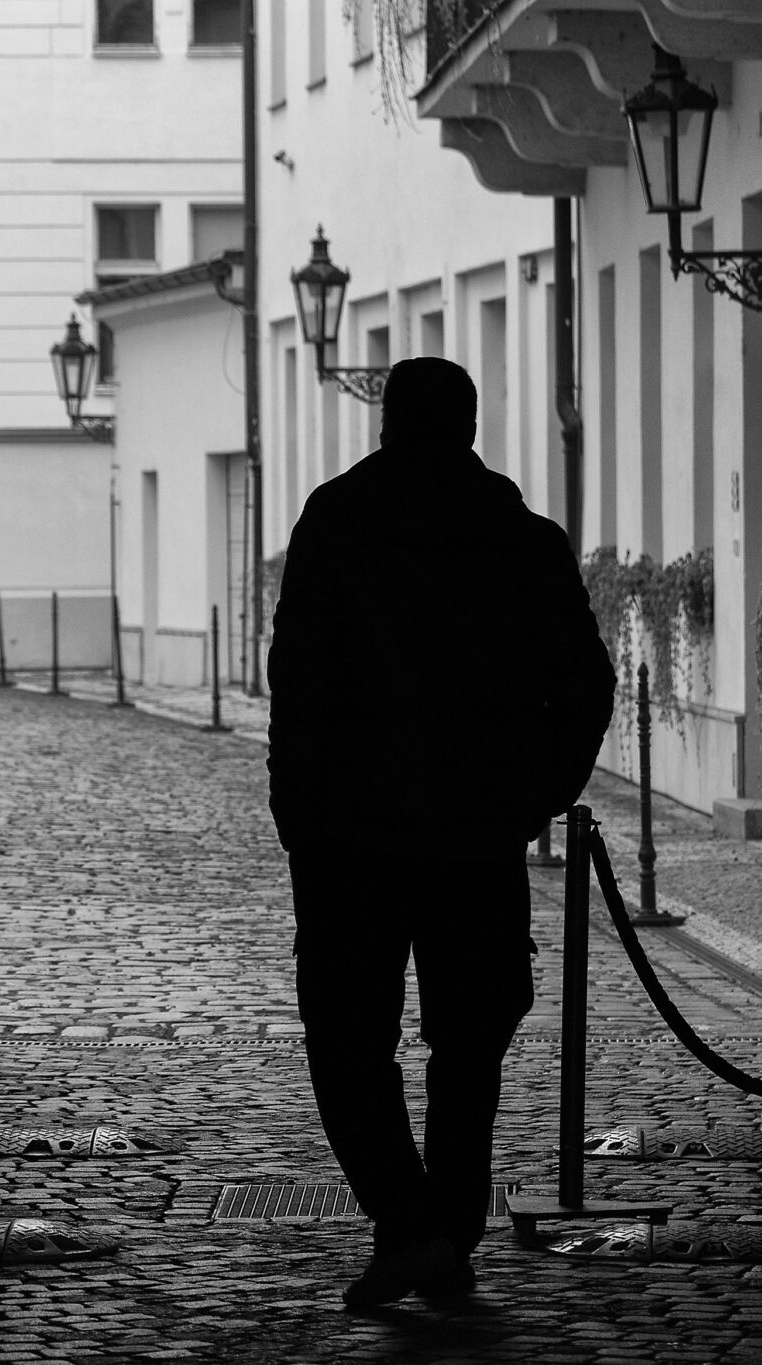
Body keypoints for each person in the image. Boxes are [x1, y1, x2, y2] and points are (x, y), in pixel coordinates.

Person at [266, 356, 616, 1308]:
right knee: (470, 1040)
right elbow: (585, 684)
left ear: (387, 425)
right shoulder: (521, 538)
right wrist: (534, 792)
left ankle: (409, 1221)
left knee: (346, 1039)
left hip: (350, 838)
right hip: (474, 837)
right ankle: (441, 1227)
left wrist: (297, 811)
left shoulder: (335, 525)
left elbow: (297, 682)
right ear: (468, 427)